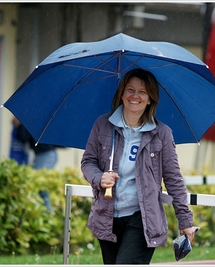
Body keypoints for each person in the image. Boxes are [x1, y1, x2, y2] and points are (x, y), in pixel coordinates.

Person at [81, 68, 196, 264]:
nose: (135, 96)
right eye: (130, 90)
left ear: (150, 98)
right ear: (122, 94)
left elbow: (173, 178)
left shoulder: (162, 134)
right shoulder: (103, 125)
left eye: (142, 92)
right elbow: (88, 162)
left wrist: (185, 220)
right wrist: (99, 178)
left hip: (141, 219)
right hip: (107, 217)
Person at [16, 120, 58, 212]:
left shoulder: (30, 121)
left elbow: (24, 137)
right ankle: (46, 211)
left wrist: (19, 125)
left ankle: (47, 211)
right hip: (45, 154)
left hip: (46, 154)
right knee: (39, 183)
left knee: (36, 182)